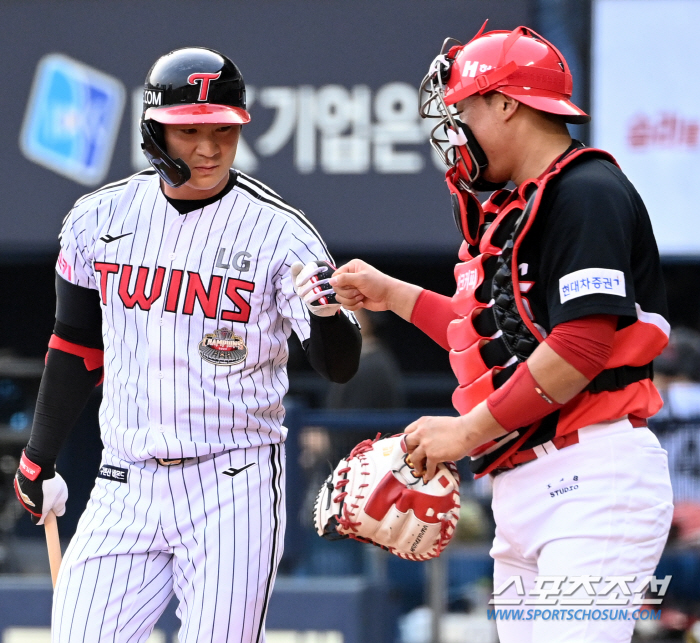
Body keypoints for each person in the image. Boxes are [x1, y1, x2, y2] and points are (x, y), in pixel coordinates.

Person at [331, 25, 673, 643]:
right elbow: (492, 338)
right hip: (527, 485)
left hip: (593, 476)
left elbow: (581, 348)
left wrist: (465, 431)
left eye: (463, 107)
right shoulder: (520, 203)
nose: (454, 127)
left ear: (507, 103)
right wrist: (396, 296)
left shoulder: (587, 191)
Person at [14, 47, 361, 642]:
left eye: (223, 129)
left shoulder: (282, 233)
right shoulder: (99, 217)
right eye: (189, 129)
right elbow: (75, 345)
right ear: (154, 132)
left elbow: (339, 366)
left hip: (234, 481)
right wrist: (38, 454)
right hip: (124, 480)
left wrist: (327, 311)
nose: (208, 147)